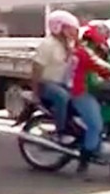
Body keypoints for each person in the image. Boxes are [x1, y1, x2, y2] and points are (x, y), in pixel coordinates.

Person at [66, 23, 110, 172]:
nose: (102, 42)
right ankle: (84, 161)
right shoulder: (84, 51)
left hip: (99, 89)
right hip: (83, 91)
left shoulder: (102, 50)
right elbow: (99, 66)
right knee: (95, 125)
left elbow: (106, 68)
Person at [32, 10, 80, 139]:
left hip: (62, 83)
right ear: (58, 27)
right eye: (69, 28)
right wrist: (35, 91)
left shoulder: (65, 45)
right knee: (62, 97)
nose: (72, 32)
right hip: (47, 84)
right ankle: (61, 132)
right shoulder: (48, 44)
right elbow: (37, 68)